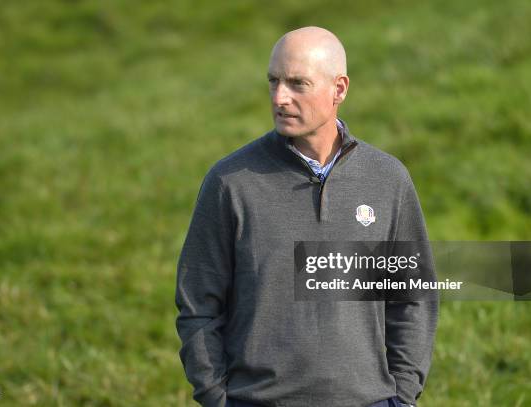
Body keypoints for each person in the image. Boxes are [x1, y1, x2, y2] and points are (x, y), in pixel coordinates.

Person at [175, 26, 438, 407]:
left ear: (339, 89)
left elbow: (413, 295)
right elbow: (198, 303)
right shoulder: (230, 182)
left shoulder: (387, 179)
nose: (280, 98)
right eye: (274, 81)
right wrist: (217, 398)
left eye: (298, 84)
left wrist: (402, 395)